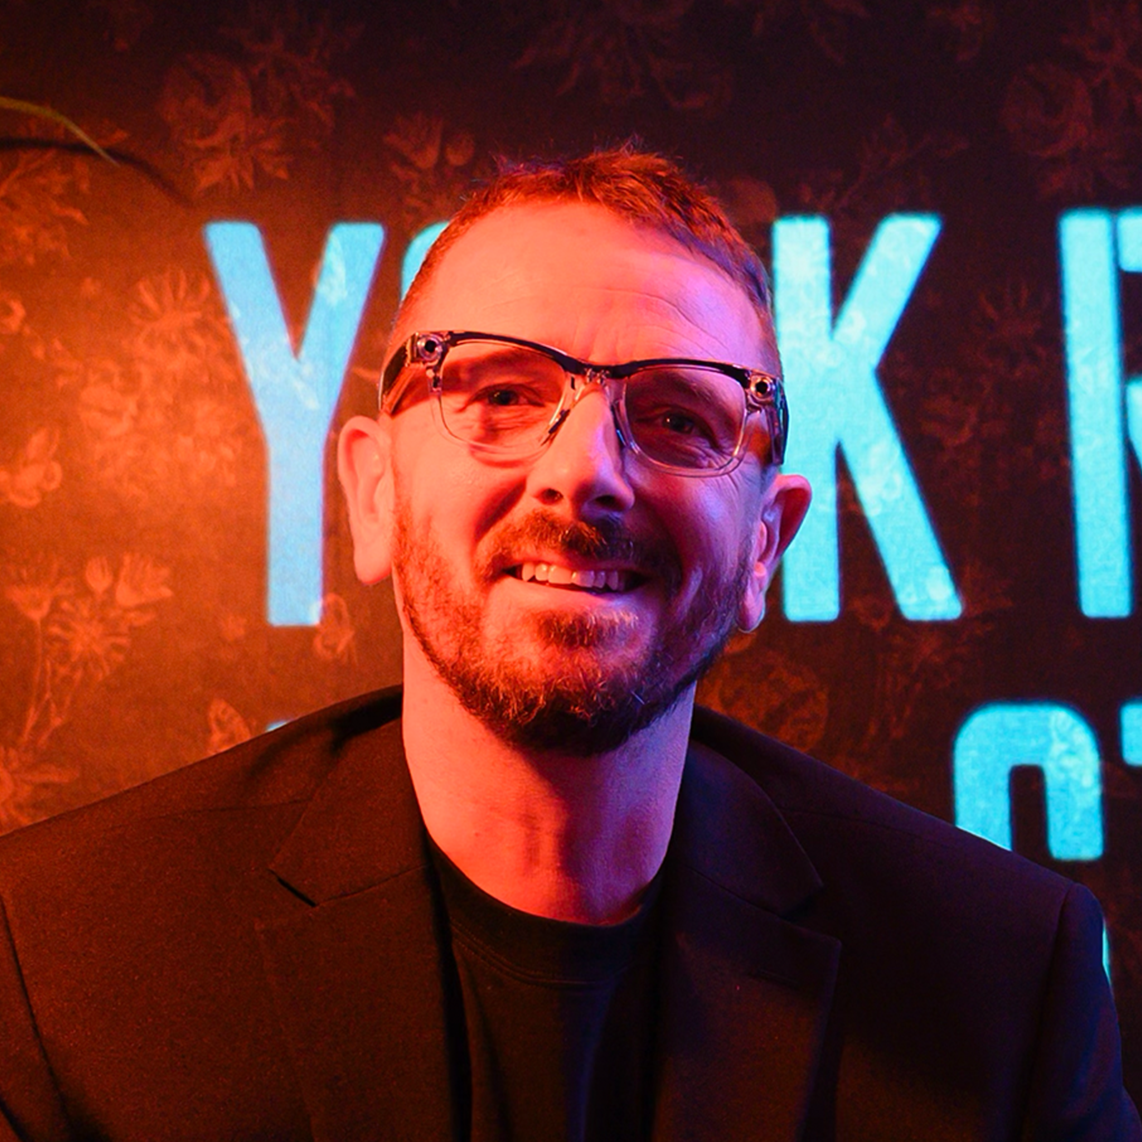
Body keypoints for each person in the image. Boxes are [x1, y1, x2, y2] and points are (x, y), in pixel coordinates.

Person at [0, 148, 1137, 1142]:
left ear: (761, 548)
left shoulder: (997, 985)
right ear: (372, 493)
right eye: (498, 391)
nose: (584, 467)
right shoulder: (67, 968)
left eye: (679, 416)